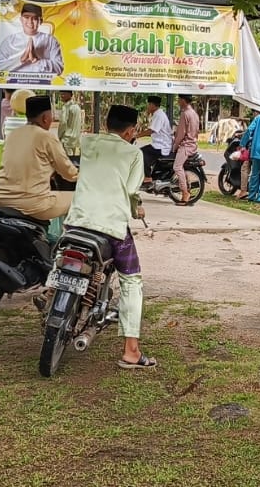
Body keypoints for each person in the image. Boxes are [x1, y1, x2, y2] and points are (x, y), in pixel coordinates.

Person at [64, 105, 156, 369]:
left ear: (105, 125)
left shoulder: (87, 141)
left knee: (59, 257)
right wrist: (136, 208)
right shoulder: (133, 153)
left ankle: (52, 295)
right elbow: (130, 190)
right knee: (131, 280)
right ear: (131, 131)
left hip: (76, 223)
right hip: (111, 228)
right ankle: (131, 351)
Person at [0, 95, 79, 220]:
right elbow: (68, 173)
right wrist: (83, 176)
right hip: (32, 203)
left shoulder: (13, 134)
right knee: (80, 197)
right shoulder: (46, 137)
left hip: (2, 198)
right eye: (51, 116)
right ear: (45, 118)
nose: (52, 119)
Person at [0, 3, 65, 76]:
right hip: (14, 84)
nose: (30, 21)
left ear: (40, 21)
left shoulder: (50, 40)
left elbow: (59, 68)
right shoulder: (9, 41)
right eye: (26, 17)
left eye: (35, 18)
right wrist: (20, 60)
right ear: (21, 19)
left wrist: (37, 61)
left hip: (42, 85)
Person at [171, 95, 201, 205]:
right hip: (192, 144)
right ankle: (186, 189)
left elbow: (181, 133)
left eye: (179, 99)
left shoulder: (185, 114)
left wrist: (174, 146)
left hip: (185, 146)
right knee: (182, 167)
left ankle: (185, 192)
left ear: (183, 100)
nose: (178, 101)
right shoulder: (194, 113)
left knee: (177, 167)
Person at [142, 96, 173, 178]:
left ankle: (147, 177)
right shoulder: (158, 114)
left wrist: (136, 135)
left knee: (141, 153)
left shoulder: (158, 115)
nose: (147, 107)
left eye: (148, 104)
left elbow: (151, 130)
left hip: (161, 146)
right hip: (159, 144)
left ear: (152, 105)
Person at [57, 90, 84, 157]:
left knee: (67, 162)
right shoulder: (77, 107)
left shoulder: (66, 107)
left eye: (64, 94)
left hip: (67, 140)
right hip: (76, 140)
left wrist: (59, 136)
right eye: (61, 94)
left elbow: (63, 123)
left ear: (70, 95)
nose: (62, 96)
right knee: (75, 162)